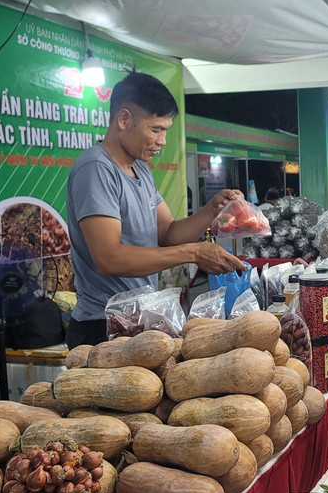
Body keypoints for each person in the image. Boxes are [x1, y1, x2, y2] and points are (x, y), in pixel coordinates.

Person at [65, 71, 245, 348]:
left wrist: (212, 208)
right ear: (124, 119)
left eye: (166, 131)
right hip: (102, 326)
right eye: (156, 129)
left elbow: (169, 233)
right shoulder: (96, 169)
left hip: (139, 320)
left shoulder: (140, 169)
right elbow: (108, 258)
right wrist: (194, 253)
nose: (162, 140)